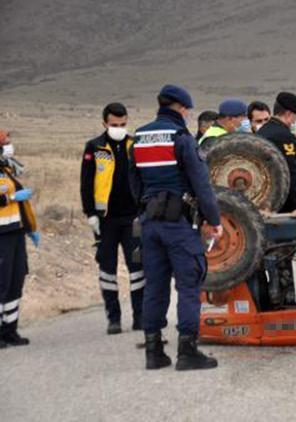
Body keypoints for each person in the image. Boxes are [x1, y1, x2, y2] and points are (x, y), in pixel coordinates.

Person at [129, 85, 223, 370]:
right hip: (178, 224)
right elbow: (201, 184)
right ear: (182, 108)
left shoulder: (140, 137)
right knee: (189, 284)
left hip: (149, 223)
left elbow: (134, 183)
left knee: (155, 286)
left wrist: (144, 209)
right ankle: (187, 351)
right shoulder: (181, 138)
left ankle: (154, 351)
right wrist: (214, 220)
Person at [80, 103, 144, 335]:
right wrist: (90, 214)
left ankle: (140, 317)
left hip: (132, 218)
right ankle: (114, 319)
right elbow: (86, 183)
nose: (119, 128)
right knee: (107, 269)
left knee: (137, 268)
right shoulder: (94, 147)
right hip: (105, 220)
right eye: (114, 125)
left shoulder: (134, 145)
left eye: (123, 124)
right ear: (104, 123)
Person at [0, 129, 40, 348]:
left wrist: (30, 228)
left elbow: (22, 203)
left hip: (15, 231)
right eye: (6, 141)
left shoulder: (6, 168)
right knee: (1, 283)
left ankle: (10, 330)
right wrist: (13, 196)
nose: (9, 144)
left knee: (15, 281)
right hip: (1, 235)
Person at [257, 92, 296, 212]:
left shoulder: (263, 131)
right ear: (288, 114)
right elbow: (290, 172)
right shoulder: (284, 137)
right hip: (285, 204)